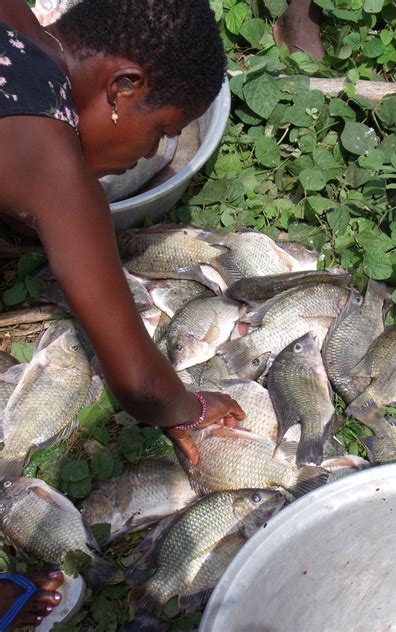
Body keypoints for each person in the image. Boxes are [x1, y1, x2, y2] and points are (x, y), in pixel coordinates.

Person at [0, 0, 245, 626]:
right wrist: (190, 408)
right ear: (124, 86)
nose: (148, 154)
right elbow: (137, 382)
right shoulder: (48, 161)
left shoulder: (18, 24)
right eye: (160, 130)